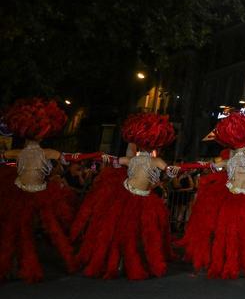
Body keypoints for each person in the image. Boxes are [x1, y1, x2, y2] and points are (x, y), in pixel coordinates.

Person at [72, 113, 178, 280]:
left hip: (144, 200)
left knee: (139, 233)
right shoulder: (135, 160)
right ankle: (118, 261)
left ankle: (130, 262)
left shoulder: (153, 161)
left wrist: (176, 170)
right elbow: (114, 161)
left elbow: (169, 171)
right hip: (125, 197)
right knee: (120, 231)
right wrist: (105, 158)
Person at [178, 112, 245, 279]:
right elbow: (206, 166)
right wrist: (180, 168)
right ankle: (223, 263)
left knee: (243, 236)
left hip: (244, 200)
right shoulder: (234, 160)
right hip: (228, 199)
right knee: (226, 234)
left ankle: (238, 263)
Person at [0, 98, 76, 283]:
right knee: (33, 229)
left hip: (28, 193)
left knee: (17, 229)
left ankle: (14, 264)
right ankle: (15, 264)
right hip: (30, 193)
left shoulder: (17, 153)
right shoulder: (48, 153)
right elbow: (74, 158)